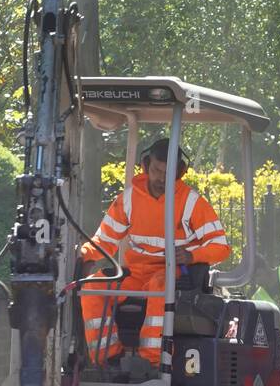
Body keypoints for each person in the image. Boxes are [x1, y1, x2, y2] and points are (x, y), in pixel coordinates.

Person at [80, 137, 230, 365]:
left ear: (179, 172)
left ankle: (151, 363)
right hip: (136, 275)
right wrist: (82, 254)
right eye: (156, 170)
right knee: (92, 286)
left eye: (168, 172)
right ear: (145, 166)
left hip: (173, 274)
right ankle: (106, 359)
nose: (161, 178)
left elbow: (221, 247)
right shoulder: (129, 199)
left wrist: (192, 256)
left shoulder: (192, 202)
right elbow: (105, 241)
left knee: (161, 285)